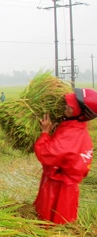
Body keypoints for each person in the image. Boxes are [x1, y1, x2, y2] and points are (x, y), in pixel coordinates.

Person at [34, 88, 97, 224]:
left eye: (71, 106)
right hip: (69, 186)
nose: (66, 107)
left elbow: (46, 153)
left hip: (59, 187)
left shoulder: (70, 134)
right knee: (64, 220)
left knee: (52, 222)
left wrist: (45, 133)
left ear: (80, 114)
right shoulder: (77, 126)